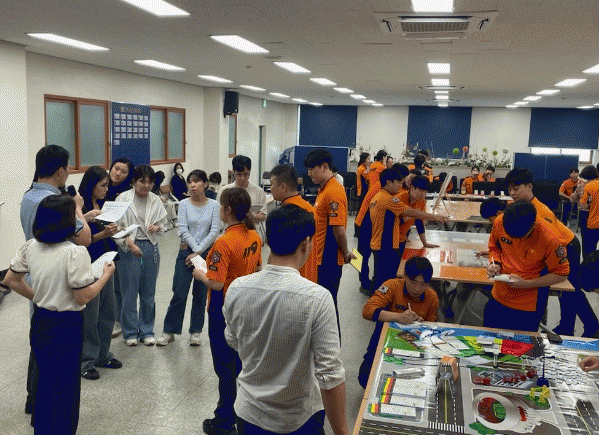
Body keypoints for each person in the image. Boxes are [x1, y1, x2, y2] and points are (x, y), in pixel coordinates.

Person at [223, 205, 348, 435]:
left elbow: (233, 339)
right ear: (306, 244)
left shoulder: (237, 289)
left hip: (250, 414)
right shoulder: (317, 298)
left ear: (268, 240)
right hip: (299, 418)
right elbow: (329, 375)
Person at [3, 194, 115, 435]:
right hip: (66, 324)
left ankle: (42, 427)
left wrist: (39, 297)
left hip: (41, 319)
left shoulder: (31, 246)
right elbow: (82, 296)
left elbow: (11, 280)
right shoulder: (74, 253)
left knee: (45, 377)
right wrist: (105, 276)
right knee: (65, 383)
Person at [20, 145, 91, 423]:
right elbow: (84, 238)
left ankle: (34, 401)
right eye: (68, 168)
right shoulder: (56, 201)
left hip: (36, 276)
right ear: (61, 171)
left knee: (39, 345)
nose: (69, 173)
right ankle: (48, 410)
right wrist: (79, 209)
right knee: (57, 357)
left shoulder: (29, 196)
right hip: (59, 282)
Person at [192, 187, 262, 435]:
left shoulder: (223, 242)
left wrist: (200, 274)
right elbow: (257, 269)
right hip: (247, 306)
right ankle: (246, 416)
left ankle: (224, 420)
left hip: (223, 309)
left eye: (221, 206)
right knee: (242, 364)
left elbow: (217, 283)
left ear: (228, 210)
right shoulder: (254, 236)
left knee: (225, 367)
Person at [506, 168, 599, 337]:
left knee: (569, 288)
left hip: (567, 245)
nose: (512, 193)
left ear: (529, 186)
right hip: (560, 244)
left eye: (516, 189)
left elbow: (555, 242)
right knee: (567, 290)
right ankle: (568, 326)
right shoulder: (523, 207)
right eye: (510, 189)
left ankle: (588, 326)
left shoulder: (541, 212)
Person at [485, 200, 570, 332]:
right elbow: (494, 247)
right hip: (499, 294)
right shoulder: (500, 221)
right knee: (488, 337)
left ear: (534, 225)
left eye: (521, 237)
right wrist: (495, 263)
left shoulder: (552, 239)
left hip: (529, 304)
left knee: (522, 343)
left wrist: (526, 284)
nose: (517, 241)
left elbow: (561, 274)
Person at [157, 170, 220, 346]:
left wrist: (198, 252)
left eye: (197, 181)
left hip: (205, 253)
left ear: (205, 184)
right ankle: (169, 330)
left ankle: (196, 331)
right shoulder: (184, 204)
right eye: (190, 182)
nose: (192, 185)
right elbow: (183, 229)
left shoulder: (214, 205)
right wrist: (194, 251)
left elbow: (214, 230)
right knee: (179, 292)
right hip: (185, 253)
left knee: (200, 294)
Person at [358, 257, 438, 388]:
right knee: (365, 378)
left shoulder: (432, 297)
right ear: (405, 275)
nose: (417, 289)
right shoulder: (392, 286)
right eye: (413, 282)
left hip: (414, 342)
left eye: (423, 285)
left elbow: (432, 328)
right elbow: (367, 310)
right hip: (385, 337)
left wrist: (422, 325)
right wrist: (398, 317)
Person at [114, 165, 168, 346]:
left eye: (149, 182)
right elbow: (115, 227)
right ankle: (130, 332)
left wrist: (157, 227)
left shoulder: (155, 200)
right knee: (129, 292)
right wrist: (129, 244)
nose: (146, 185)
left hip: (150, 246)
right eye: (142, 181)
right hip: (129, 246)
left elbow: (164, 223)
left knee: (148, 292)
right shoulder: (123, 198)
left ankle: (146, 330)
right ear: (134, 181)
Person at [369, 169, 447, 293]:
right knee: (383, 277)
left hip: (391, 241)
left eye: (425, 191)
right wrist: (434, 217)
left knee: (389, 274)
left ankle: (385, 297)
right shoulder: (393, 199)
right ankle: (376, 300)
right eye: (398, 183)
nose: (400, 186)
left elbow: (417, 219)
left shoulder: (383, 196)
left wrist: (424, 242)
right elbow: (411, 213)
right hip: (386, 243)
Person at [77, 166, 122, 380]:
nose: (106, 189)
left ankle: (103, 354)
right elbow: (79, 242)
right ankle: (86, 360)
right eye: (103, 185)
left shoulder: (103, 206)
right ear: (91, 185)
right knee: (90, 316)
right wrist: (102, 234)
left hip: (106, 262)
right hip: (88, 265)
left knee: (108, 311)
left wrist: (114, 232)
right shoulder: (81, 209)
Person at [304, 149, 354, 334]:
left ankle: (332, 345)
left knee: (328, 306)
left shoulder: (333, 192)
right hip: (321, 257)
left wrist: (347, 252)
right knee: (322, 305)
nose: (309, 173)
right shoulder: (325, 189)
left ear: (325, 167)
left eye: (312, 169)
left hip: (328, 259)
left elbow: (339, 231)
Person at [270, 164, 318, 283]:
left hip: (293, 277)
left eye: (272, 184)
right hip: (309, 274)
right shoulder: (307, 207)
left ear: (282, 187)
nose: (270, 188)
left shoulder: (288, 214)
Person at [105, 157, 135, 338]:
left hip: (120, 241)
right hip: (101, 239)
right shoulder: (101, 185)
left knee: (119, 285)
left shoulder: (127, 193)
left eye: (124, 172)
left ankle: (119, 320)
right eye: (116, 168)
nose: (118, 173)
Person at [218, 155, 267, 241]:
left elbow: (263, 215)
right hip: (230, 236)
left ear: (249, 172)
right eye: (239, 174)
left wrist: (252, 216)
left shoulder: (258, 191)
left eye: (246, 174)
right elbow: (219, 215)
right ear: (233, 172)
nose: (242, 178)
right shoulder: (224, 191)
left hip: (251, 235)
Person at [398, 175, 441, 249]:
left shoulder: (421, 201)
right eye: (421, 191)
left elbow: (419, 222)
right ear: (412, 188)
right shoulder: (399, 199)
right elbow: (392, 222)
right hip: (389, 239)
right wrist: (412, 215)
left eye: (425, 192)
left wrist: (425, 243)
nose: (423, 195)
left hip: (402, 238)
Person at [580, 171, 599, 259]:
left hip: (593, 224)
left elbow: (583, 204)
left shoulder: (589, 186)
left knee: (589, 250)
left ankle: (589, 266)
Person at [355, 152, 371, 238]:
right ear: (363, 159)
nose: (369, 161)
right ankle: (357, 230)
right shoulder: (362, 169)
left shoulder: (362, 168)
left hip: (363, 191)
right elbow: (369, 178)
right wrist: (369, 170)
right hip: (362, 192)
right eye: (368, 159)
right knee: (361, 211)